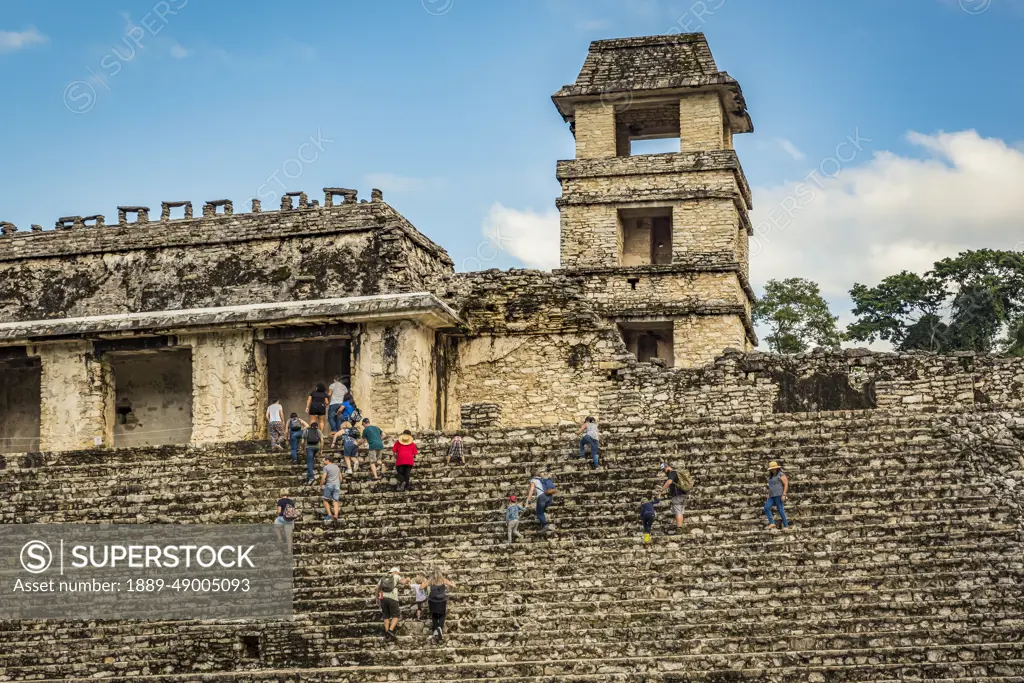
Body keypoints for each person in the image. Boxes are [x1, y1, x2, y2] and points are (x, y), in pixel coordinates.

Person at [418, 569, 455, 642]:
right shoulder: (443, 580)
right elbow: (453, 586)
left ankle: (435, 630)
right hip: (442, 600)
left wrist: (424, 584)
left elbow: (421, 587)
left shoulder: (430, 581)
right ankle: (440, 628)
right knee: (442, 615)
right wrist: (453, 583)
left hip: (432, 600)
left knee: (434, 615)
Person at [658, 463, 693, 535]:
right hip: (683, 494)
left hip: (677, 495)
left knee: (678, 511)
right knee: (680, 511)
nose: (664, 472)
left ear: (667, 467)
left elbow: (669, 482)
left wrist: (661, 490)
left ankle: (679, 528)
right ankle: (680, 526)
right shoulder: (676, 473)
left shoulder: (672, 473)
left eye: (664, 470)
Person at [377, 567, 410, 640]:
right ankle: (390, 630)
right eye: (398, 573)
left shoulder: (383, 577)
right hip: (392, 598)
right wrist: (407, 579)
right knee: (396, 615)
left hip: (383, 598)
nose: (399, 574)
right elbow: (403, 582)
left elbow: (377, 588)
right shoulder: (396, 576)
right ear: (395, 572)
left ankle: (387, 633)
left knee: (386, 615)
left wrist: (377, 598)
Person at [764, 460, 790, 531]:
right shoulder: (771, 477)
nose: (773, 470)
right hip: (772, 496)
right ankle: (772, 523)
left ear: (777, 468)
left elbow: (786, 484)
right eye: (772, 469)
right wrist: (768, 495)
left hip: (779, 495)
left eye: (774, 468)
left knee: (780, 510)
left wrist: (784, 494)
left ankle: (786, 525)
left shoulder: (781, 475)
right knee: (766, 507)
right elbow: (770, 487)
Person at [273, 488, 297, 552]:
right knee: (289, 535)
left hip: (282, 518)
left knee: (276, 525)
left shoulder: (280, 501)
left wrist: (277, 513)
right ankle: (289, 550)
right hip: (290, 519)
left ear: (281, 494)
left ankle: (280, 539)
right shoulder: (291, 501)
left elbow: (279, 511)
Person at [321, 454, 342, 522]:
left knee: (325, 500)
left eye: (324, 460)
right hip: (337, 485)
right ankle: (336, 515)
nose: (323, 462)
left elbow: (323, 478)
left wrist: (321, 484)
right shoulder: (337, 467)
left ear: (327, 460)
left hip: (329, 485)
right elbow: (341, 478)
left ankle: (330, 514)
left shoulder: (326, 467)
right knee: (335, 501)